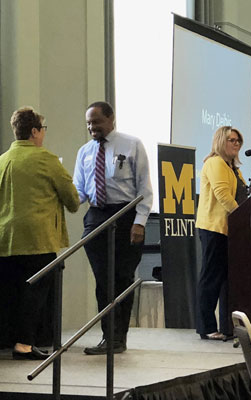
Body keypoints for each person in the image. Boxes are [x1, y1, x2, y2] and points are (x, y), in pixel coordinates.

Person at [0, 106, 79, 360]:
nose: (43, 135)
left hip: (2, 239)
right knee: (34, 295)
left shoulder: (0, 161)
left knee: (13, 293)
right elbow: (72, 200)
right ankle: (25, 344)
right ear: (35, 131)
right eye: (43, 129)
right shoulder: (46, 159)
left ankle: (13, 341)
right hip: (37, 238)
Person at [73, 101, 153, 355]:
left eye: (96, 122)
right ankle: (108, 337)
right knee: (103, 281)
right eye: (88, 122)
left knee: (122, 278)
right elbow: (79, 192)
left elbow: (145, 189)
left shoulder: (132, 144)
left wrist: (139, 222)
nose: (91, 127)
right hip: (97, 217)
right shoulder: (85, 151)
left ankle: (120, 337)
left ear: (111, 120)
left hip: (126, 216)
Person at [195, 126, 248, 340]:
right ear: (220, 141)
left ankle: (228, 326)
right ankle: (206, 327)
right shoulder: (215, 162)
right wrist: (241, 216)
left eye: (238, 141)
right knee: (211, 279)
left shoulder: (233, 167)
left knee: (226, 279)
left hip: (229, 230)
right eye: (231, 140)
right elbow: (223, 195)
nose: (236, 144)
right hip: (213, 228)